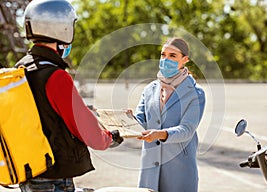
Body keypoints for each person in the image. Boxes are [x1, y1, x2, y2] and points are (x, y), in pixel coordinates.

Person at [16, 0, 123, 191]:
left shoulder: (20, 69)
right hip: (54, 177)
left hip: (29, 171)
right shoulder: (55, 76)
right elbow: (85, 128)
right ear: (63, 29)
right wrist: (109, 138)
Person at [134, 37, 206, 192]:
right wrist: (124, 120)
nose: (166, 60)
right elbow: (140, 121)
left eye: (172, 56)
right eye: (163, 55)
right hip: (150, 170)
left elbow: (187, 130)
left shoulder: (195, 93)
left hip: (179, 170)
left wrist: (160, 134)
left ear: (184, 60)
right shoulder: (149, 89)